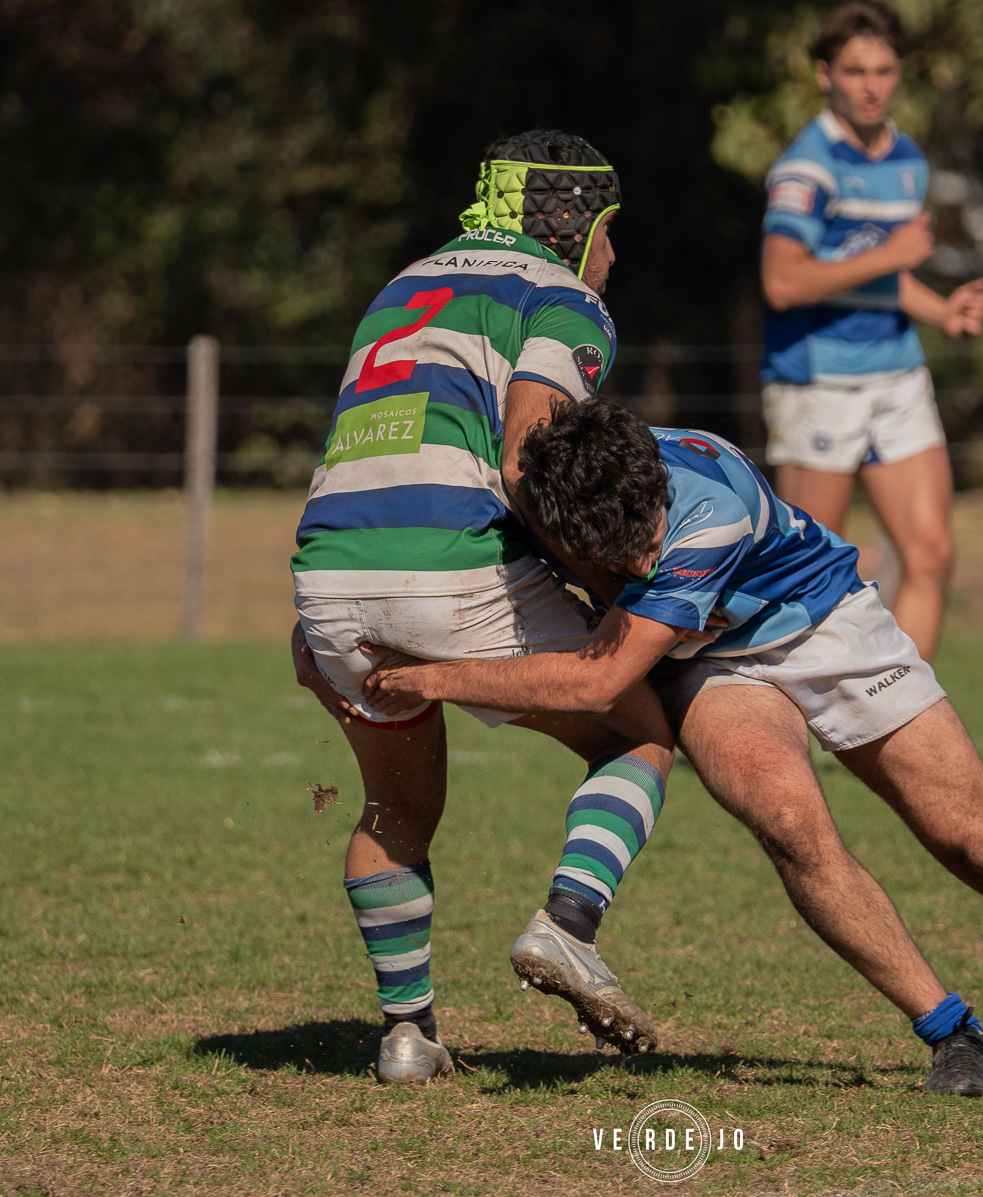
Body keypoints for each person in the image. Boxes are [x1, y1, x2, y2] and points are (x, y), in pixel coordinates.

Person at [356, 400, 983, 1096]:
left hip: (827, 627)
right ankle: (952, 1031)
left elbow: (596, 679)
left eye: (646, 538)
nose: (641, 559)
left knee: (976, 838)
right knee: (788, 824)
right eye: (615, 550)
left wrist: (435, 678)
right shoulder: (551, 494)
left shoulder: (703, 510)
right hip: (714, 668)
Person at [289, 130, 674, 1085]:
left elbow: (361, 446)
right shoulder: (561, 297)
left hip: (330, 572)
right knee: (637, 734)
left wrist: (315, 613)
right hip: (454, 567)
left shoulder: (402, 285)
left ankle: (409, 1037)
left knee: (395, 804)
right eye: (611, 231)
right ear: (577, 222)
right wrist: (598, 582)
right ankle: (568, 925)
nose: (614, 255)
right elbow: (525, 454)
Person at [759, 0, 983, 661]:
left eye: (885, 70)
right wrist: (894, 256)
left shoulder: (908, 161)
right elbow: (783, 282)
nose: (871, 86)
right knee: (810, 573)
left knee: (930, 550)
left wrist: (941, 311)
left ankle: (899, 720)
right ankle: (780, 732)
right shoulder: (806, 168)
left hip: (896, 371)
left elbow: (873, 274)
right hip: (818, 380)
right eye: (856, 71)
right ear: (825, 74)